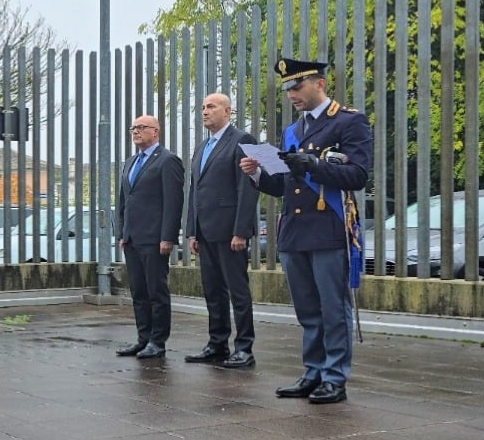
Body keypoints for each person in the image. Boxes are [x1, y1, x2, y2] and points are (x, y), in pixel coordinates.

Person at [240, 59, 372, 404]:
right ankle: (313, 372)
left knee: (332, 308)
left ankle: (334, 377)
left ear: (320, 84)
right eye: (287, 89)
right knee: (308, 311)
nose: (291, 95)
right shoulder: (292, 131)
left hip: (328, 226)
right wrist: (256, 174)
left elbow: (358, 175)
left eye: (297, 87)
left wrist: (315, 165)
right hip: (295, 230)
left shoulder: (348, 121)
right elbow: (284, 185)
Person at [184, 93, 259, 369]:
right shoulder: (202, 147)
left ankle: (244, 348)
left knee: (237, 291)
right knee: (213, 291)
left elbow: (247, 187)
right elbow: (195, 191)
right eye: (203, 107)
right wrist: (192, 231)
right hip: (206, 232)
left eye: (211, 107)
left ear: (227, 111)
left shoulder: (242, 140)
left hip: (230, 233)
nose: (205, 111)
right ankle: (217, 344)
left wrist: (241, 231)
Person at [114, 115, 185, 359]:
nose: (135, 131)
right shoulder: (130, 162)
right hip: (132, 239)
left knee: (156, 291)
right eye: (133, 128)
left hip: (154, 238)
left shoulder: (167, 160)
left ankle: (157, 341)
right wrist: (122, 233)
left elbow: (173, 202)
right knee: (139, 292)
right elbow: (123, 201)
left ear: (155, 132)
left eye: (141, 127)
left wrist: (168, 237)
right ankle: (143, 338)